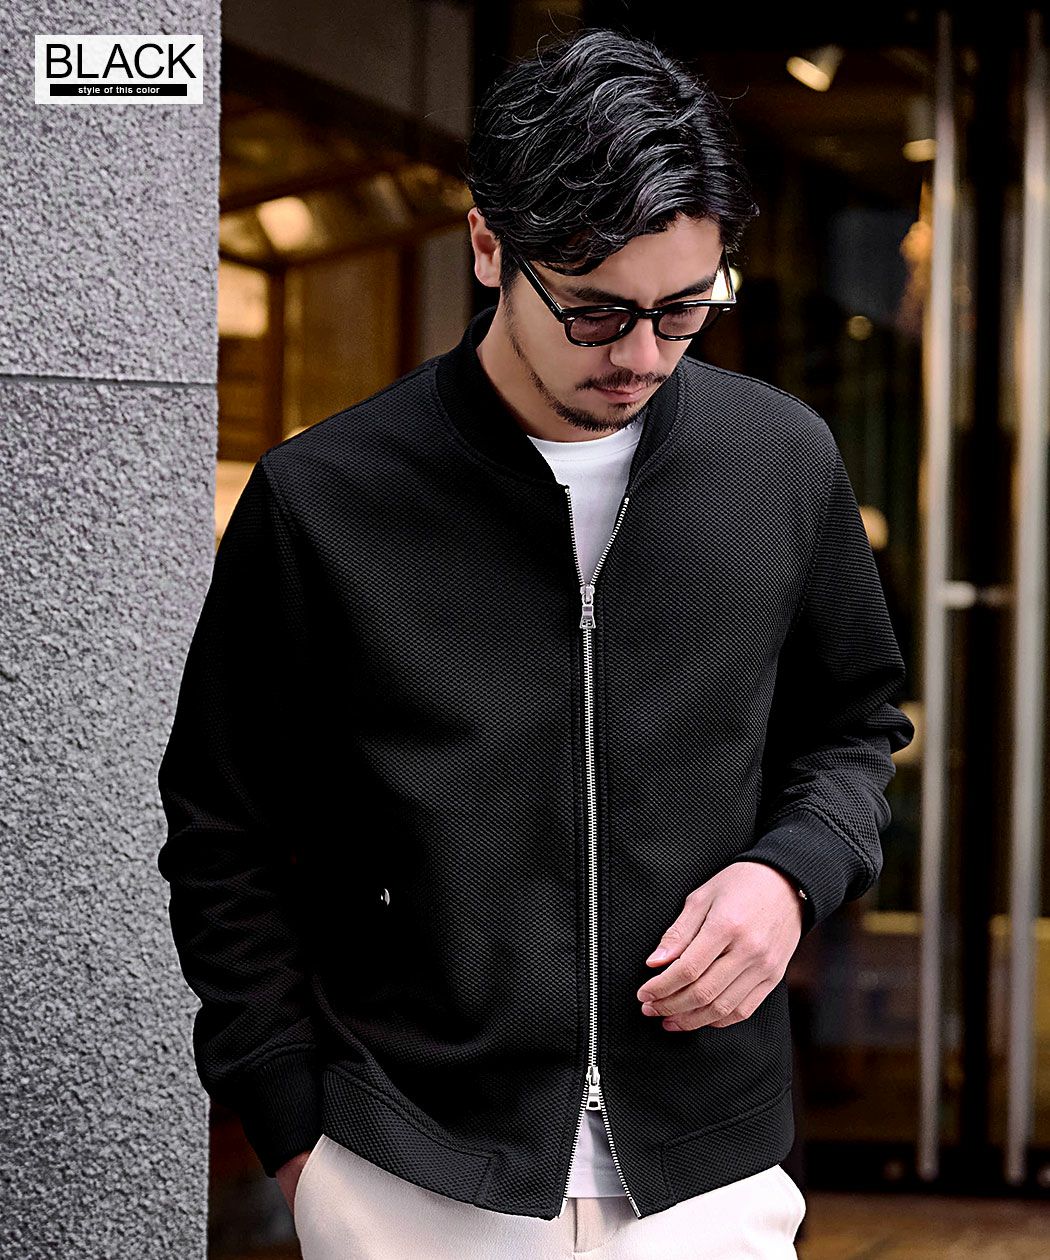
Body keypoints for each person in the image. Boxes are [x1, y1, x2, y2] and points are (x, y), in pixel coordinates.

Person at [157, 26, 914, 1260]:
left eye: (686, 309)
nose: (642, 356)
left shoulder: (782, 464)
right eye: (597, 312)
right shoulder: (323, 500)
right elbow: (222, 831)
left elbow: (854, 729)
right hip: (406, 1171)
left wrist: (789, 876)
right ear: (487, 246)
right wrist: (295, 1135)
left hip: (709, 1175)